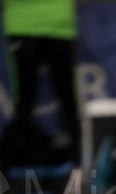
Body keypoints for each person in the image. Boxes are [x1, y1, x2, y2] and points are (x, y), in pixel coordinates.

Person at [1, 0, 80, 165]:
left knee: (67, 95)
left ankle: (79, 159)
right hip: (22, 24)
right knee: (25, 97)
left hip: (59, 24)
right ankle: (20, 160)